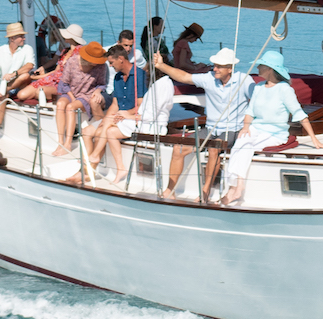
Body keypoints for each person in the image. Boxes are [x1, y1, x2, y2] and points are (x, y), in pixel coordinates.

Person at [221, 51, 323, 206]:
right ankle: (237, 185)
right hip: (257, 129)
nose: (257, 67)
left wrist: (314, 139)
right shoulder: (258, 87)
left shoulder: (284, 89)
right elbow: (250, 111)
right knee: (241, 141)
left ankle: (234, 188)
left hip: (275, 133)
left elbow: (299, 113)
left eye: (261, 65)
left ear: (269, 69)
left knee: (245, 146)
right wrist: (245, 127)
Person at [155, 47, 248, 200]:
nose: (215, 68)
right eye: (214, 65)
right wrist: (161, 66)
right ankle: (169, 191)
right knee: (178, 148)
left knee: (214, 148)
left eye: (219, 66)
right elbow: (184, 77)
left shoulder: (244, 80)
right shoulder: (209, 78)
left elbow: (258, 99)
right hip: (210, 128)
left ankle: (205, 192)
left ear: (230, 68)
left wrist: (250, 125)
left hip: (232, 130)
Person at [86, 43, 153, 184]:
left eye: (111, 62)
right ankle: (89, 168)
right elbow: (115, 104)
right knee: (87, 131)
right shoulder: (117, 77)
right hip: (118, 116)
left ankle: (94, 157)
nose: (110, 66)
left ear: (121, 59)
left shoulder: (139, 75)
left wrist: (123, 114)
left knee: (102, 131)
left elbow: (141, 105)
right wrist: (106, 118)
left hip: (132, 117)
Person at [50, 40, 109, 167]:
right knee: (61, 104)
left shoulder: (101, 67)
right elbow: (64, 83)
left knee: (71, 107)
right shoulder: (72, 62)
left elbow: (102, 84)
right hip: (70, 91)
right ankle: (60, 141)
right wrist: (72, 96)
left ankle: (68, 143)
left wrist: (98, 91)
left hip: (87, 94)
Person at [0, 22, 36, 145]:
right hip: (4, 85)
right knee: (1, 96)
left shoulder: (27, 49)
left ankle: (1, 92)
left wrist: (13, 74)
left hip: (20, 84)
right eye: (21, 36)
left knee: (25, 75)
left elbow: (29, 66)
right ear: (12, 38)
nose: (24, 38)